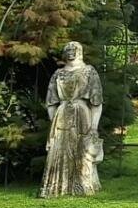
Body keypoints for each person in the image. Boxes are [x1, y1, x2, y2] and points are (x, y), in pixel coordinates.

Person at [41, 41, 104, 197]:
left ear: (79, 51)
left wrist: (94, 127)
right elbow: (51, 102)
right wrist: (54, 121)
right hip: (62, 116)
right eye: (67, 49)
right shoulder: (58, 74)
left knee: (83, 150)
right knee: (59, 150)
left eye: (73, 49)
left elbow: (96, 102)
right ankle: (58, 186)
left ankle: (83, 185)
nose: (70, 51)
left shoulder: (89, 71)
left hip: (82, 115)